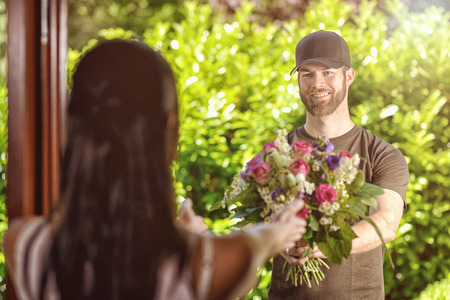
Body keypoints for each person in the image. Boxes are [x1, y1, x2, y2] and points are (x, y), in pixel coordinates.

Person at [3, 40, 308, 300]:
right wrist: (279, 230)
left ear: (72, 129)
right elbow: (259, 241)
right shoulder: (204, 264)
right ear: (168, 127)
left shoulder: (23, 245)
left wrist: (182, 236)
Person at [267, 30, 409, 299]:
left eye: (328, 72)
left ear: (349, 76)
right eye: (307, 74)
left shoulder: (382, 155)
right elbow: (255, 221)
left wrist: (327, 244)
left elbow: (387, 223)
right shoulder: (277, 154)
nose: (317, 83)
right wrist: (274, 240)